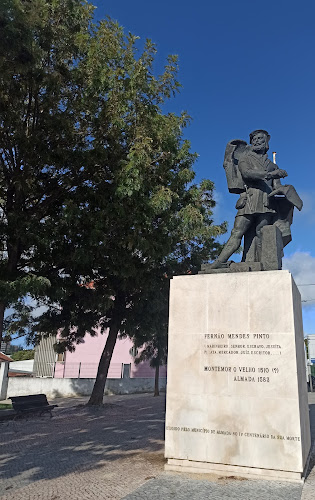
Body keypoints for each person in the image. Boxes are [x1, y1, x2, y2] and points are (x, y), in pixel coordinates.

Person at [210, 129, 288, 269]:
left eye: (260, 139)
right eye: (254, 139)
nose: (257, 141)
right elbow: (247, 174)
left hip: (266, 203)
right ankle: (219, 262)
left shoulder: (272, 165)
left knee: (261, 233)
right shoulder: (246, 159)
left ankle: (261, 263)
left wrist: (286, 191)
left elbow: (277, 187)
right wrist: (271, 174)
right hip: (249, 200)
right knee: (237, 232)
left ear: (266, 142)